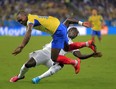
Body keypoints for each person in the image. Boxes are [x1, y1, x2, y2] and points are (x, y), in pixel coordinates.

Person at [10, 27, 102, 83]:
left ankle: (38, 78)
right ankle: (20, 76)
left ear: (76, 36)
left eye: (75, 33)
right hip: (45, 53)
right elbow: (67, 21)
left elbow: (80, 56)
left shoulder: (73, 45)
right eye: (72, 31)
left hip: (55, 59)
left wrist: (92, 54)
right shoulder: (60, 34)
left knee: (60, 65)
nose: (73, 33)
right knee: (27, 64)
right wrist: (80, 23)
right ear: (68, 31)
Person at [12, 11, 94, 65]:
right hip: (60, 26)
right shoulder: (31, 18)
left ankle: (75, 62)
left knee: (54, 58)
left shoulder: (30, 20)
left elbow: (28, 32)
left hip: (57, 32)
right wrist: (81, 23)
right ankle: (87, 44)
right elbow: (68, 20)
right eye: (18, 21)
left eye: (21, 19)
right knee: (66, 48)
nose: (20, 22)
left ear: (25, 16)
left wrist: (21, 46)